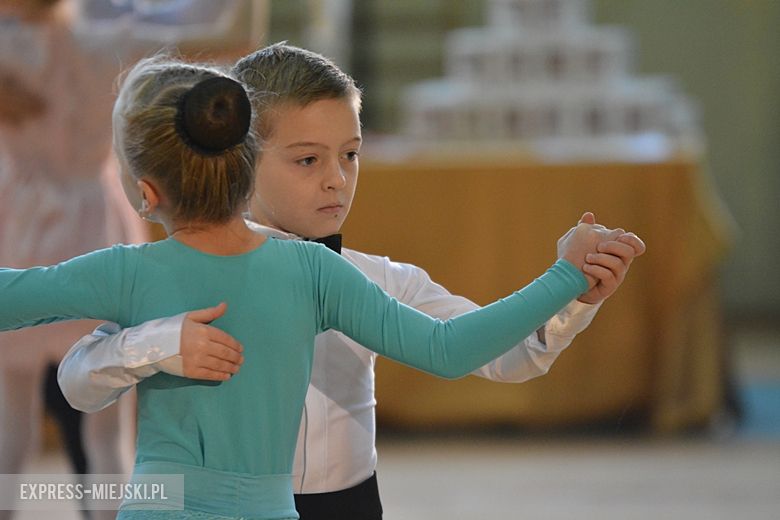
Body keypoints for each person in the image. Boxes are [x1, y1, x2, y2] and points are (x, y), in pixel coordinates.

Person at [0, 55, 629, 519]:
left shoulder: (377, 277)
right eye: (307, 159)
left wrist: (572, 296)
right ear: (241, 153)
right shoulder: (161, 270)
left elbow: (502, 354)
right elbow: (79, 380)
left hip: (345, 505)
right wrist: (156, 343)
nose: (337, 181)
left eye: (350, 155)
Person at [0, 1, 257, 518]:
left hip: (19, 225)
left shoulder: (7, 52)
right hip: (97, 226)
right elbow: (235, 35)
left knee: (8, 413)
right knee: (109, 412)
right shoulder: (107, 44)